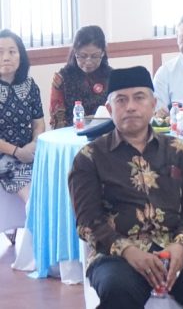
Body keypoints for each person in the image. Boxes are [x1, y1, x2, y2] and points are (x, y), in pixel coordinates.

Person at [68, 66, 183, 309]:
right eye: (121, 100)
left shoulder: (177, 149)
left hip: (177, 246)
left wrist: (181, 246)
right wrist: (128, 251)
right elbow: (88, 222)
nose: (130, 106)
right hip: (117, 254)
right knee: (118, 291)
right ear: (109, 109)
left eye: (139, 98)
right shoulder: (89, 157)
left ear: (153, 104)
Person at [0, 30, 43, 201]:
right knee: (33, 197)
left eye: (12, 51)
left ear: (21, 56)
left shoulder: (30, 85)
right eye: (0, 52)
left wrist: (33, 144)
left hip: (28, 151)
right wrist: (17, 152)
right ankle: (34, 217)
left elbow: (39, 123)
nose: (6, 57)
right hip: (4, 156)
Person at [50, 25, 112, 128]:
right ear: (75, 52)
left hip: (106, 133)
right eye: (83, 56)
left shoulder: (112, 77)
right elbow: (57, 121)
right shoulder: (61, 79)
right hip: (72, 133)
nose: (88, 62)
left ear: (102, 53)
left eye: (95, 56)